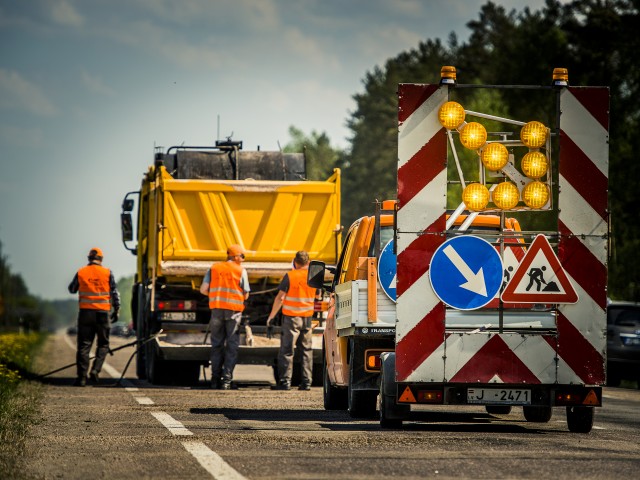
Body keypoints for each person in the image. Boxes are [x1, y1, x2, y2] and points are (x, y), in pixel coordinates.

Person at [200, 244, 250, 390]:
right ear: (235, 256)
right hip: (233, 312)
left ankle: (214, 379)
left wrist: (216, 296)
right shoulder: (241, 271)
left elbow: (203, 289)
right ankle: (226, 380)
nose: (243, 260)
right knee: (232, 346)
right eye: (242, 256)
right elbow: (246, 294)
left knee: (216, 345)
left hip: (216, 310)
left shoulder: (214, 268)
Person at [68, 247, 120, 387]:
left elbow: (72, 289)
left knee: (84, 346)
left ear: (89, 258)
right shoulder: (107, 273)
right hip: (103, 314)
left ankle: (81, 378)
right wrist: (117, 310)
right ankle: (95, 370)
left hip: (85, 314)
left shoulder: (81, 272)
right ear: (101, 259)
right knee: (103, 344)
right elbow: (114, 293)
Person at [267, 251, 318, 391]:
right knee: (306, 350)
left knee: (287, 350)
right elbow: (318, 296)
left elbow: (279, 298)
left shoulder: (290, 276)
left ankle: (285, 382)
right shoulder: (312, 276)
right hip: (307, 318)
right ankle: (307, 382)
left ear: (295, 262)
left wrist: (271, 317)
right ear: (308, 263)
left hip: (291, 319)